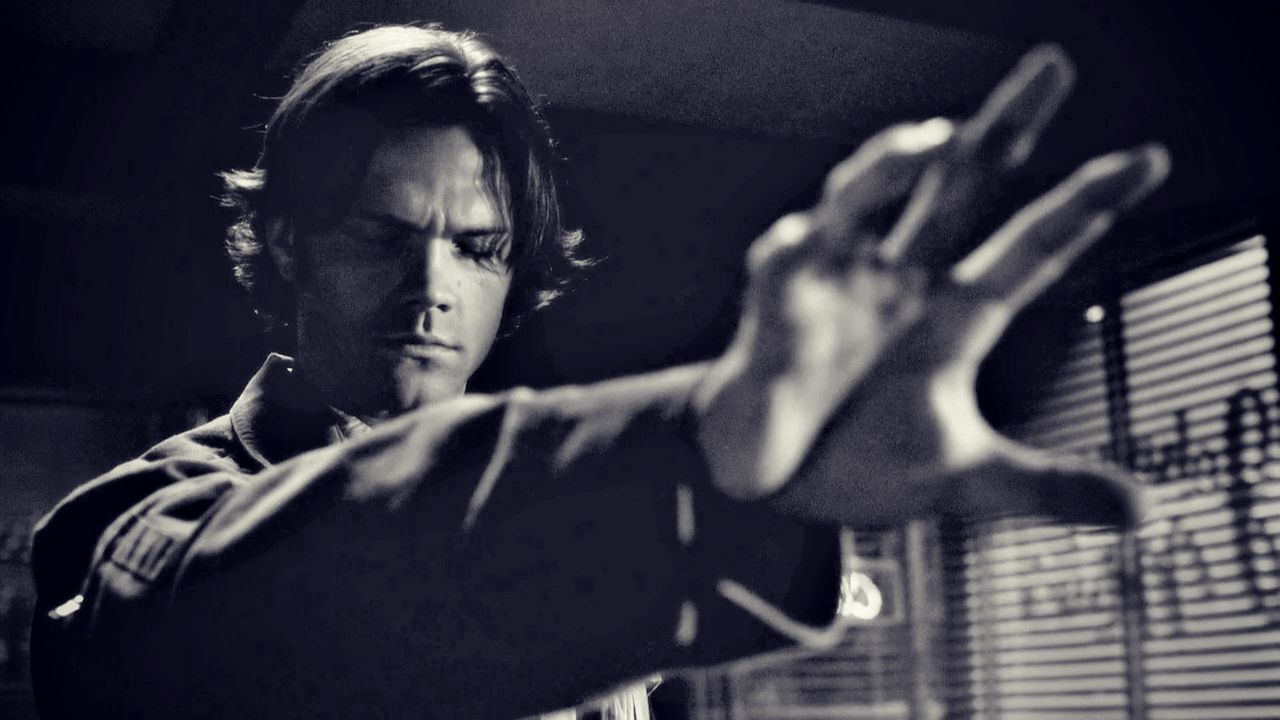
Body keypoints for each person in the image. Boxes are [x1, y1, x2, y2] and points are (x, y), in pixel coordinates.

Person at [28, 23, 1166, 720]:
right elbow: (230, 622)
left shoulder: (578, 522)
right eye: (384, 237)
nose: (432, 288)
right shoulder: (149, 519)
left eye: (477, 249)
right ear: (287, 244)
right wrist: (687, 461)